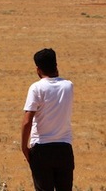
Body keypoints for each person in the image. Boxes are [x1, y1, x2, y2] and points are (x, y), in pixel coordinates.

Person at [21, 48, 74, 191]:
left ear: (38, 69)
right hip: (64, 148)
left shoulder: (36, 88)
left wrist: (24, 147)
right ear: (56, 65)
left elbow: (27, 121)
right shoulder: (68, 86)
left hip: (42, 148)